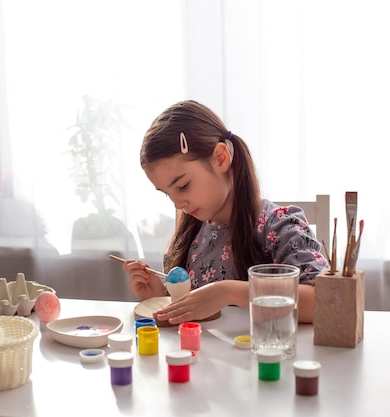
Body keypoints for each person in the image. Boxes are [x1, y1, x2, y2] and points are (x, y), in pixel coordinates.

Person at [122, 100, 327, 325]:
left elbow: (322, 302)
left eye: (183, 186)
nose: (178, 203)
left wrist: (226, 293)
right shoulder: (190, 237)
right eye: (167, 194)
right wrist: (159, 297)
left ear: (221, 158)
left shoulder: (278, 225)